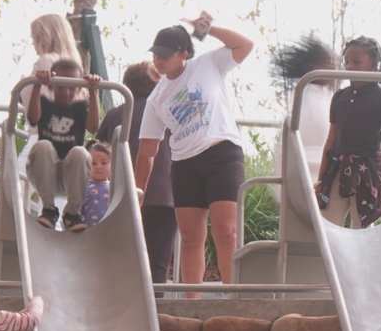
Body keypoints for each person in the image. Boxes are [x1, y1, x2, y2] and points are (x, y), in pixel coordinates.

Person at [136, 18, 254, 295]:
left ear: (184, 54)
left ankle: (233, 298)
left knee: (226, 232)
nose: (159, 60)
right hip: (185, 164)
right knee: (190, 238)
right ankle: (192, 303)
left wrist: (208, 29)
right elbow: (148, 150)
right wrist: (137, 192)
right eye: (155, 55)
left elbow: (245, 45)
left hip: (222, 154)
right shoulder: (156, 98)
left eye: (165, 55)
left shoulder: (209, 64)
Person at [96, 61, 177, 286]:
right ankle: (158, 315)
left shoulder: (115, 116)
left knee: (121, 261)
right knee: (158, 265)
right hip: (166, 196)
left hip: (124, 196)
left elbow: (97, 151)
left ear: (127, 87)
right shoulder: (169, 114)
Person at [313, 36, 381, 229]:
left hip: (367, 170)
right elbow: (331, 140)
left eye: (356, 62)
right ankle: (331, 259)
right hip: (339, 166)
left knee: (362, 225)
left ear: (374, 63)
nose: (350, 67)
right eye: (347, 62)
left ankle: (362, 260)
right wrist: (321, 179)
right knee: (327, 223)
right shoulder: (340, 97)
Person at [26, 58, 102, 232]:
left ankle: (72, 213)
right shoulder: (45, 103)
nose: (66, 92)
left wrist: (93, 91)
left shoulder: (81, 107)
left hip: (70, 177)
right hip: (45, 173)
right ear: (51, 86)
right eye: (60, 86)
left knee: (80, 152)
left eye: (72, 87)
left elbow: (93, 127)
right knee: (43, 146)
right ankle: (49, 209)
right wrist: (38, 85)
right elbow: (32, 119)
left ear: (78, 88)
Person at [269, 34, 336, 181]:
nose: (332, 67)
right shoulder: (302, 95)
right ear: (310, 66)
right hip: (306, 170)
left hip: (321, 169)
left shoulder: (327, 96)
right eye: (327, 63)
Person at [80, 141, 112, 227]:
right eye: (94, 163)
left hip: (110, 233)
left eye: (104, 163)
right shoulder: (83, 187)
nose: (98, 167)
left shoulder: (115, 188)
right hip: (88, 234)